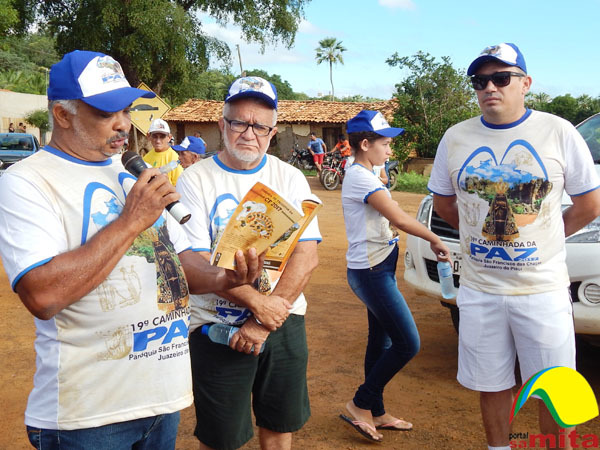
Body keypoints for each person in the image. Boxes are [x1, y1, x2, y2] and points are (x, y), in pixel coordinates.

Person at [0, 50, 261, 450]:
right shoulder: (27, 182)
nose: (123, 123)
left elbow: (177, 263)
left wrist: (225, 278)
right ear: (63, 114)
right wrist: (130, 221)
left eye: (125, 109)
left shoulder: (129, 174)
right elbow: (43, 294)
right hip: (89, 415)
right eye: (106, 113)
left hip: (161, 399)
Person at [428, 43, 600, 450]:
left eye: (501, 78)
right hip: (480, 290)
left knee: (554, 389)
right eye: (480, 81)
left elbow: (589, 202)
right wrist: (483, 237)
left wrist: (549, 232)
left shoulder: (557, 131)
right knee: (491, 382)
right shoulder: (456, 138)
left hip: (541, 290)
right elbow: (444, 202)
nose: (490, 87)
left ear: (525, 83)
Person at [174, 76, 321, 450]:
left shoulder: (288, 177)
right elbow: (192, 262)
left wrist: (264, 320)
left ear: (272, 132)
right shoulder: (196, 179)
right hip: (216, 323)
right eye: (239, 122)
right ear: (222, 124)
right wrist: (257, 306)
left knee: (278, 424)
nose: (248, 133)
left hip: (283, 320)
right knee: (222, 437)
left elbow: (306, 255)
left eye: (259, 126)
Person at [339, 110, 451, 442]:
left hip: (377, 267)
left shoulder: (366, 173)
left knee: (382, 341)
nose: (390, 151)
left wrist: (380, 173)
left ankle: (376, 411)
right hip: (371, 272)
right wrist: (434, 238)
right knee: (407, 343)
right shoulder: (360, 178)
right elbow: (399, 219)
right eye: (386, 144)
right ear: (365, 144)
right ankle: (360, 403)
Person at [143, 118, 183, 186]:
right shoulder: (146, 158)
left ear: (169, 137)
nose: (158, 141)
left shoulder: (174, 158)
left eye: (162, 137)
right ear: (149, 136)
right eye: (155, 136)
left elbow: (179, 186)